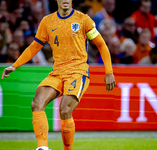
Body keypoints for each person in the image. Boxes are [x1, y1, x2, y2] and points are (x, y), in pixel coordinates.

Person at [1, 1, 116, 150]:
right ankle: (42, 147)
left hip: (77, 72)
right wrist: (14, 65)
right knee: (36, 103)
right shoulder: (47, 21)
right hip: (57, 72)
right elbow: (35, 46)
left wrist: (109, 72)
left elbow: (101, 44)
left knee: (65, 110)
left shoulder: (83, 19)